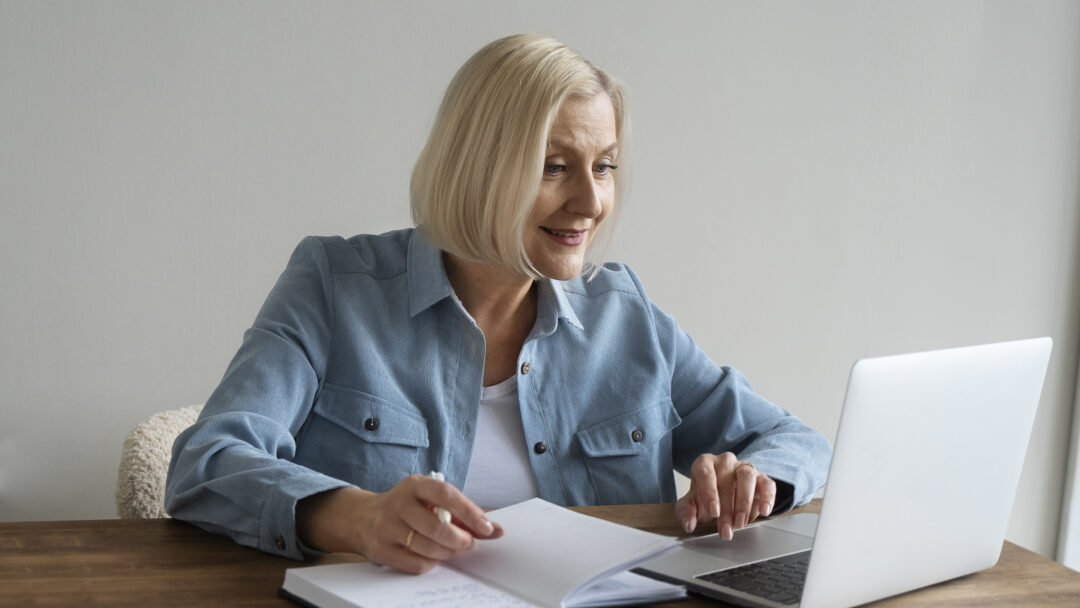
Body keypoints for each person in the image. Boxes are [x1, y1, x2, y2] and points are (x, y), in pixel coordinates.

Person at [165, 34, 831, 574]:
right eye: (553, 166)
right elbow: (207, 463)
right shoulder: (334, 286)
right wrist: (358, 517)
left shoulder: (623, 315)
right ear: (477, 165)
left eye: (603, 165)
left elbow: (798, 442)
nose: (592, 203)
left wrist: (753, 477)